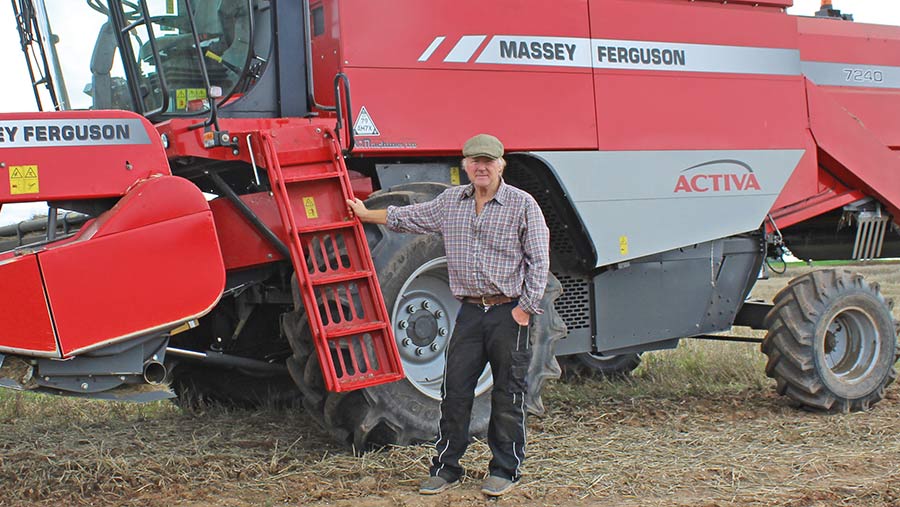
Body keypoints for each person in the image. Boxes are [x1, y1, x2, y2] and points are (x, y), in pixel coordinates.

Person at [346, 133, 550, 497]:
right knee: (454, 392)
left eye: (488, 161)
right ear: (465, 165)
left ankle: (505, 469)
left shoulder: (522, 205)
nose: (481, 167)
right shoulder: (451, 201)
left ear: (501, 164)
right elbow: (408, 218)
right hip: (469, 312)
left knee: (507, 393)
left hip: (508, 312)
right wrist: (365, 213)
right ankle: (446, 467)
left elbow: (539, 260)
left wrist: (525, 309)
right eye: (475, 161)